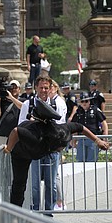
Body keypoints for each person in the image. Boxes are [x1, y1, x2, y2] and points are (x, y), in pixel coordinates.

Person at [4, 99, 109, 208]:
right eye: (61, 147)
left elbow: (80, 127)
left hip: (37, 147)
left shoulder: (62, 130)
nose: (61, 149)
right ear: (54, 143)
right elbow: (15, 132)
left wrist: (97, 140)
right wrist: (8, 149)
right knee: (19, 184)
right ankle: (14, 212)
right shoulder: (36, 138)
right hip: (21, 150)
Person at [30, 80, 67, 212]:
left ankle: (48, 212)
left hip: (52, 149)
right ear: (36, 88)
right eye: (41, 88)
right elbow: (21, 124)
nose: (44, 90)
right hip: (35, 148)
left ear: (50, 88)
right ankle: (35, 210)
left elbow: (61, 125)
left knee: (51, 184)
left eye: (46, 88)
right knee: (34, 184)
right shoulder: (28, 104)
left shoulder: (57, 104)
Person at [71, 91, 108, 162]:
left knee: (92, 161)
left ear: (89, 101)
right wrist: (73, 140)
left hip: (93, 138)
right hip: (81, 139)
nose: (84, 103)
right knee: (80, 160)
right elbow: (75, 126)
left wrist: (105, 137)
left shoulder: (95, 110)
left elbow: (104, 123)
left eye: (86, 101)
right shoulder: (78, 111)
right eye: (82, 101)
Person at [0, 79, 23, 147]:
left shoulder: (23, 100)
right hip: (3, 136)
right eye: (11, 87)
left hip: (17, 136)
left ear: (19, 89)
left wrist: (11, 98)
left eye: (15, 87)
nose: (13, 89)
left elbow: (23, 108)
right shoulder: (2, 101)